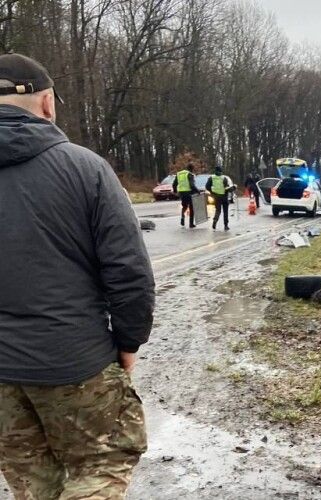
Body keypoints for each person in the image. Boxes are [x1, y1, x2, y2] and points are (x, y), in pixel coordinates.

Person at [0, 53, 154, 499]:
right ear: (47, 104)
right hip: (73, 360)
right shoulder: (86, 169)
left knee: (31, 481)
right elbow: (129, 272)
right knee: (100, 463)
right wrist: (128, 342)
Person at [172, 162, 200, 228]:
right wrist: (197, 191)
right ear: (192, 169)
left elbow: (174, 184)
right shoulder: (190, 174)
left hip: (181, 192)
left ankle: (182, 216)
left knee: (184, 206)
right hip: (189, 192)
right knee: (191, 208)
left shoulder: (179, 174)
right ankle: (191, 224)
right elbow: (192, 185)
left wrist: (175, 191)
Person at [206, 166, 230, 230]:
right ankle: (226, 225)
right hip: (224, 196)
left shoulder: (211, 178)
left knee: (218, 210)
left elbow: (207, 186)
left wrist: (212, 192)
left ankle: (215, 220)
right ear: (221, 171)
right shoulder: (224, 178)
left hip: (216, 196)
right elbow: (226, 188)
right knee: (225, 211)